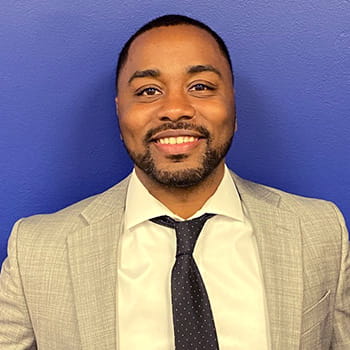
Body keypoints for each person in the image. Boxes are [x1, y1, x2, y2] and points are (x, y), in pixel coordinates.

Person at [0, 14, 349, 350]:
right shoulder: (36, 249)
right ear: (120, 111)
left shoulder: (320, 231)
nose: (175, 109)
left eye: (200, 86)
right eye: (149, 90)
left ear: (234, 107)